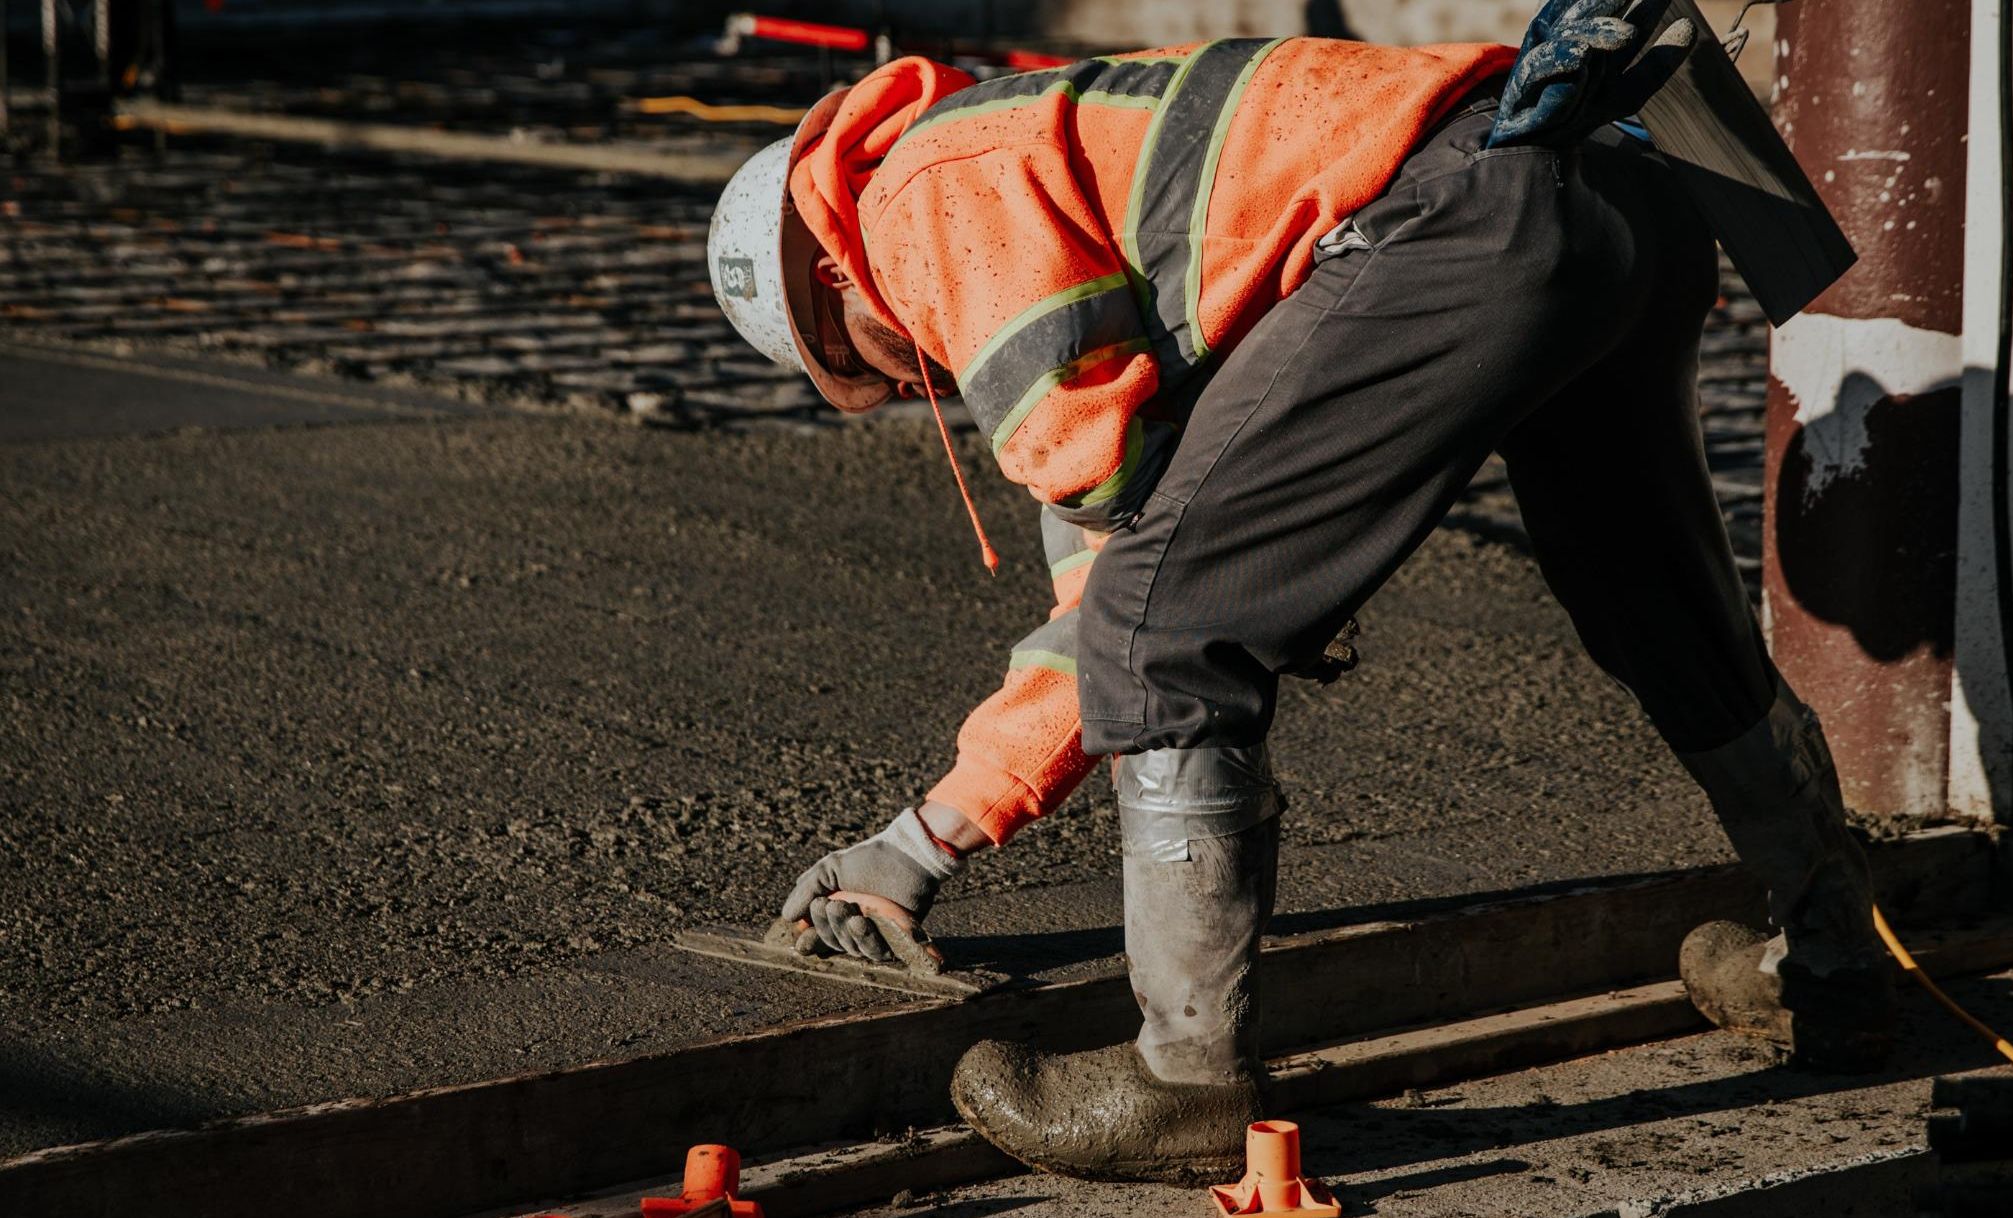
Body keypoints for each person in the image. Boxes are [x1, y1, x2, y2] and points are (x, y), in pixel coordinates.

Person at [704, 0, 1896, 1184]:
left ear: (829, 273)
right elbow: (1116, 553)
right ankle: (1838, 964)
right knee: (1660, 610)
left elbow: (1132, 595)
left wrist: (919, 843)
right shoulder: (1034, 168)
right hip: (1611, 190)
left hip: (1460, 219)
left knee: (1165, 639)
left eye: (860, 359)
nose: (909, 383)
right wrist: (920, 850)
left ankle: (1186, 1084)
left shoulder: (923, 202)